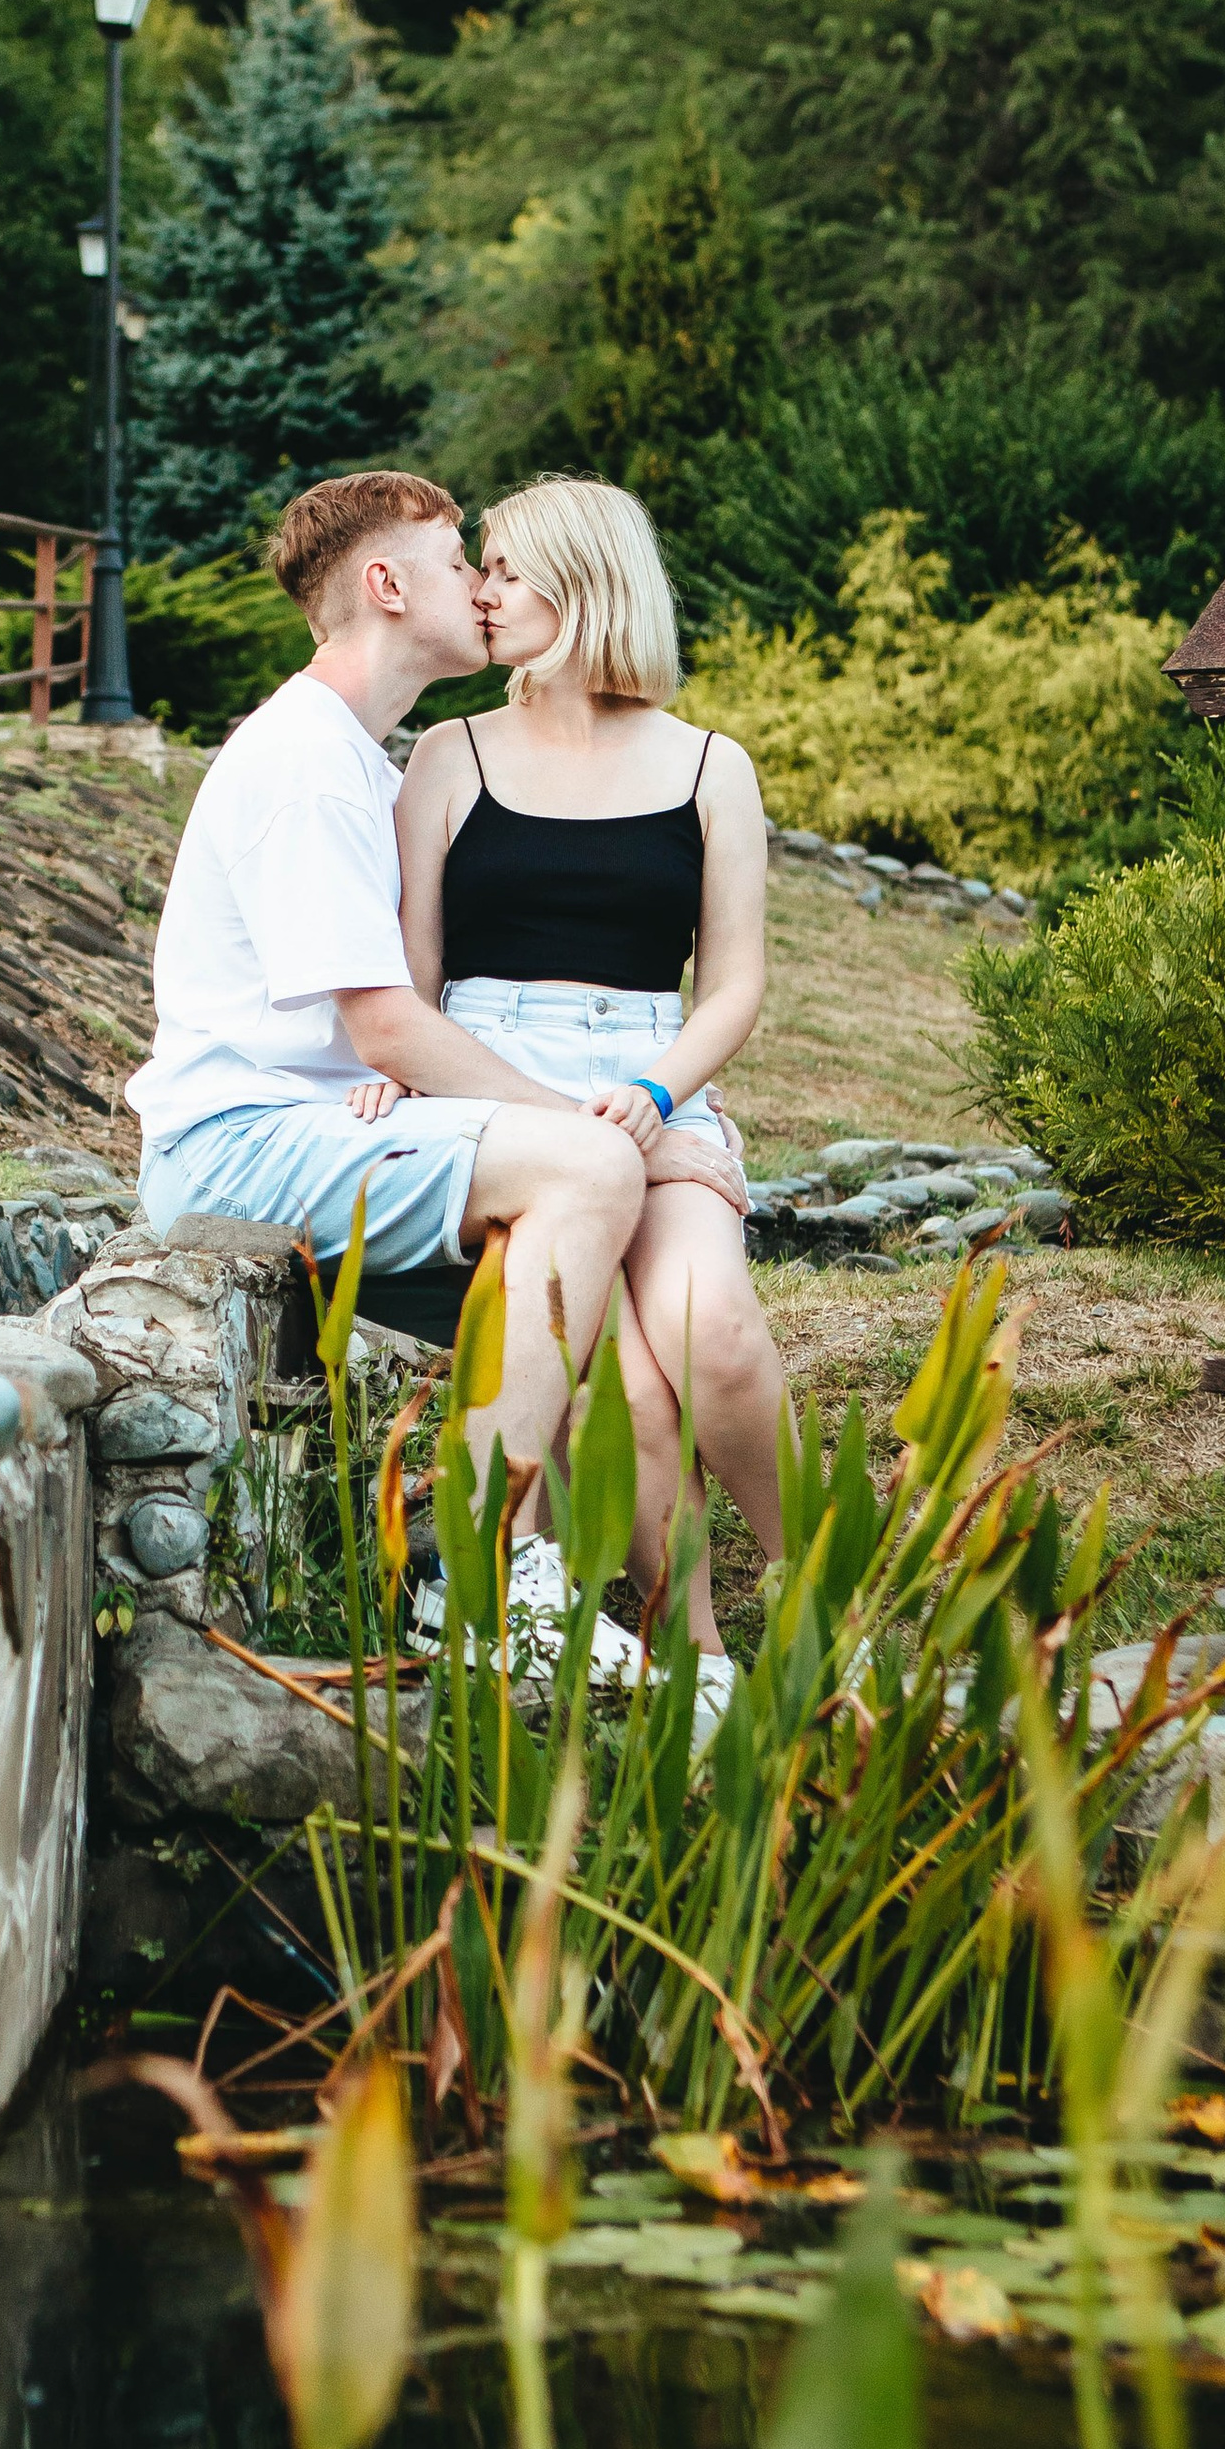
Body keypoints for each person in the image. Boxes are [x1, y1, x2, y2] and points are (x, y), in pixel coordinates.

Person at [129, 471, 748, 1543]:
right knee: (590, 1166)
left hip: (336, 1128)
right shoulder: (310, 761)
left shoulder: (363, 763)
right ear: (386, 584)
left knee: (625, 1368)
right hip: (243, 1142)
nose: (479, 586)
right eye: (460, 562)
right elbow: (386, 1025)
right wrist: (601, 1122)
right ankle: (482, 1570)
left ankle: (671, 1654)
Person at [362, 472, 786, 1645]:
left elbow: (735, 985)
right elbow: (411, 975)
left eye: (502, 569)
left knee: (711, 1334)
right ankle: (695, 1654)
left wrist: (656, 1098)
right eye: (481, 568)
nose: (481, 594)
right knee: (635, 1392)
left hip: (654, 1072)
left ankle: (824, 1591)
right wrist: (398, 1070)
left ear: (583, 580)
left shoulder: (711, 766)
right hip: (500, 1085)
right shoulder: (448, 755)